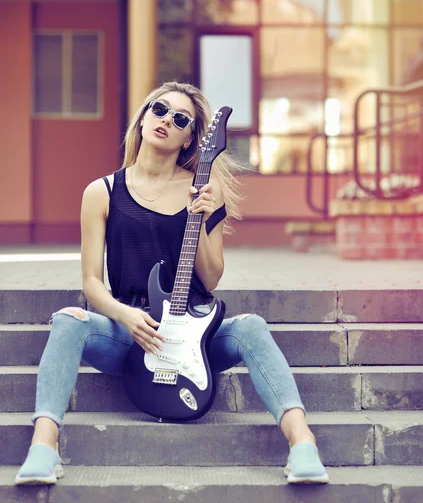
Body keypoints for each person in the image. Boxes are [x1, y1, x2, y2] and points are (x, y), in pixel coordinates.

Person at [16, 81, 329, 486]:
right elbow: (92, 282)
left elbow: (212, 277)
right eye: (159, 109)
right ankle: (44, 445)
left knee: (251, 326)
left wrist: (197, 217)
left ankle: (302, 443)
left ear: (188, 140)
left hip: (194, 336)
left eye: (180, 119)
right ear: (143, 117)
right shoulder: (102, 192)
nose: (166, 120)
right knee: (68, 320)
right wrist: (126, 317)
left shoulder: (203, 191)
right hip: (131, 333)